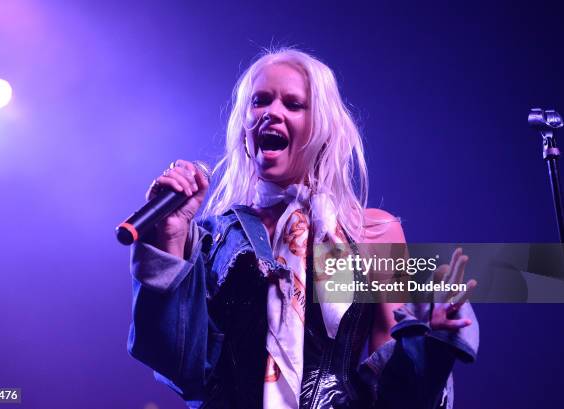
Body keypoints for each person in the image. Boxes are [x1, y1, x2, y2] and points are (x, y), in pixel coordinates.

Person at [127, 48, 479, 409]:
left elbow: (391, 388)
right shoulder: (214, 238)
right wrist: (170, 235)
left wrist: (427, 344)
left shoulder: (373, 232)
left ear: (322, 127)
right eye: (259, 101)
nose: (271, 113)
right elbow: (177, 367)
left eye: (293, 104)